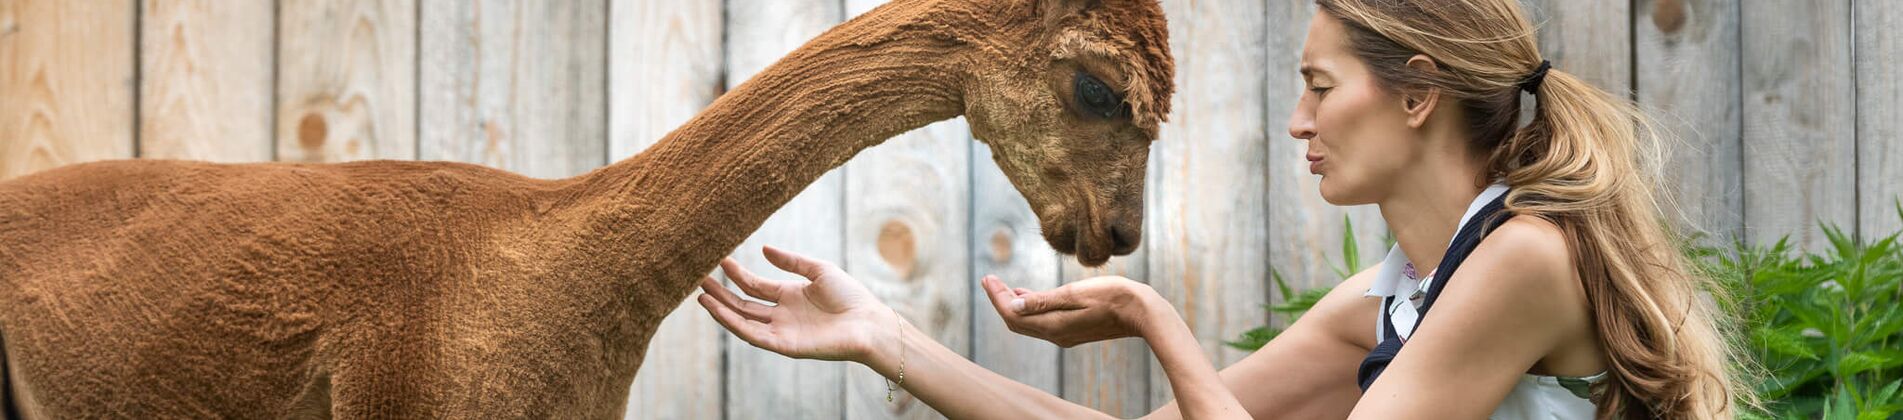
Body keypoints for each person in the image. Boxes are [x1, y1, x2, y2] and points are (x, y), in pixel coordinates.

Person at [695, 0, 1744, 417]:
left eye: (1321, 88)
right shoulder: (1397, 298)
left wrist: (1157, 321)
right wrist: (887, 340)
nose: (1297, 122)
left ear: (1419, 92)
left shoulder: (1524, 260)